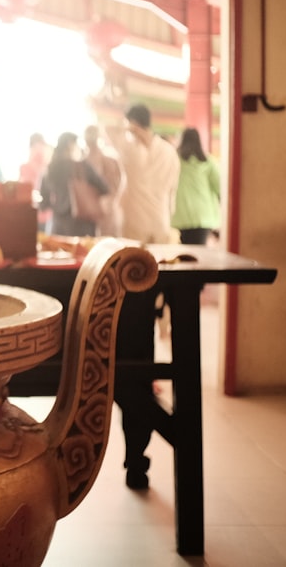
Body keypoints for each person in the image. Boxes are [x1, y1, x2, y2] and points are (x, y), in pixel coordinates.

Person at [101, 104, 180, 490]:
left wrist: (126, 129)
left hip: (128, 243)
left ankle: (136, 455)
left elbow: (106, 134)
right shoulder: (169, 150)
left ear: (132, 122)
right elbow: (172, 194)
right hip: (160, 239)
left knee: (124, 350)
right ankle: (138, 460)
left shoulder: (129, 144)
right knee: (139, 347)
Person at [102, 104, 180, 244]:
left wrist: (130, 127)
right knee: (160, 264)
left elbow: (107, 128)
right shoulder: (169, 151)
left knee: (134, 264)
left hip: (134, 222)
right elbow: (173, 187)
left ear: (132, 123)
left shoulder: (128, 149)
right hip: (161, 220)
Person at [39, 132, 108, 237]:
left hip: (58, 225)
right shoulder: (81, 166)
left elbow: (44, 203)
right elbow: (104, 188)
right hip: (82, 225)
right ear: (70, 144)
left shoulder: (50, 168)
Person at [171, 127, 221, 245]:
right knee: (199, 255)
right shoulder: (208, 161)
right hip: (202, 216)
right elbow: (221, 187)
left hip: (179, 215)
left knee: (182, 256)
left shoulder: (174, 159)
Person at [83, 125, 125, 237]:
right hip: (105, 212)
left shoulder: (83, 163)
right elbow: (119, 186)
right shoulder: (111, 160)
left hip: (97, 214)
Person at [19, 132, 52, 232]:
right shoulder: (25, 168)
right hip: (33, 212)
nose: (39, 150)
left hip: (44, 213)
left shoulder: (47, 168)